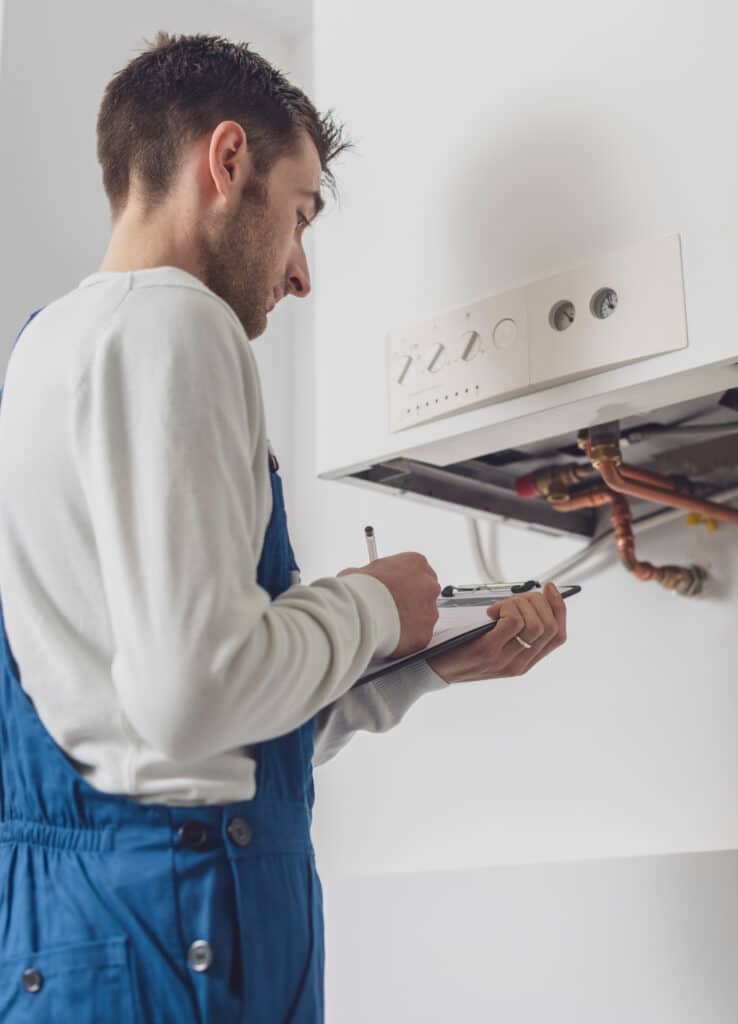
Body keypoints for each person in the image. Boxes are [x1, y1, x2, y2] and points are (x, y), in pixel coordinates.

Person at [0, 32, 567, 1023]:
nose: (301, 273)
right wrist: (376, 606)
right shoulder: (173, 321)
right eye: (300, 215)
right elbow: (197, 696)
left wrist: (425, 664)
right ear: (227, 161)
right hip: (182, 932)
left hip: (91, 929)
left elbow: (182, 749)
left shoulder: (48, 350)